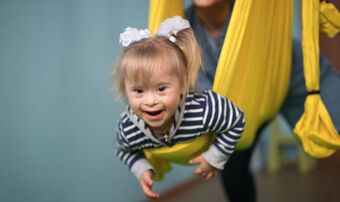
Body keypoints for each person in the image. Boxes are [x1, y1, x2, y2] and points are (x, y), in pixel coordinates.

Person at [186, 0, 340, 202]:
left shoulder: (255, 8)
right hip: (241, 102)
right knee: (232, 168)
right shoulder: (180, 26)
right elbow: (197, 81)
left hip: (288, 75)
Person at [113, 16, 246, 199]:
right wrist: (141, 169)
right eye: (138, 91)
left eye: (161, 89)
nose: (150, 101)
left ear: (183, 85)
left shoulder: (204, 110)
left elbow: (237, 119)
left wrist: (214, 157)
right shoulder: (129, 127)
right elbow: (122, 149)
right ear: (125, 90)